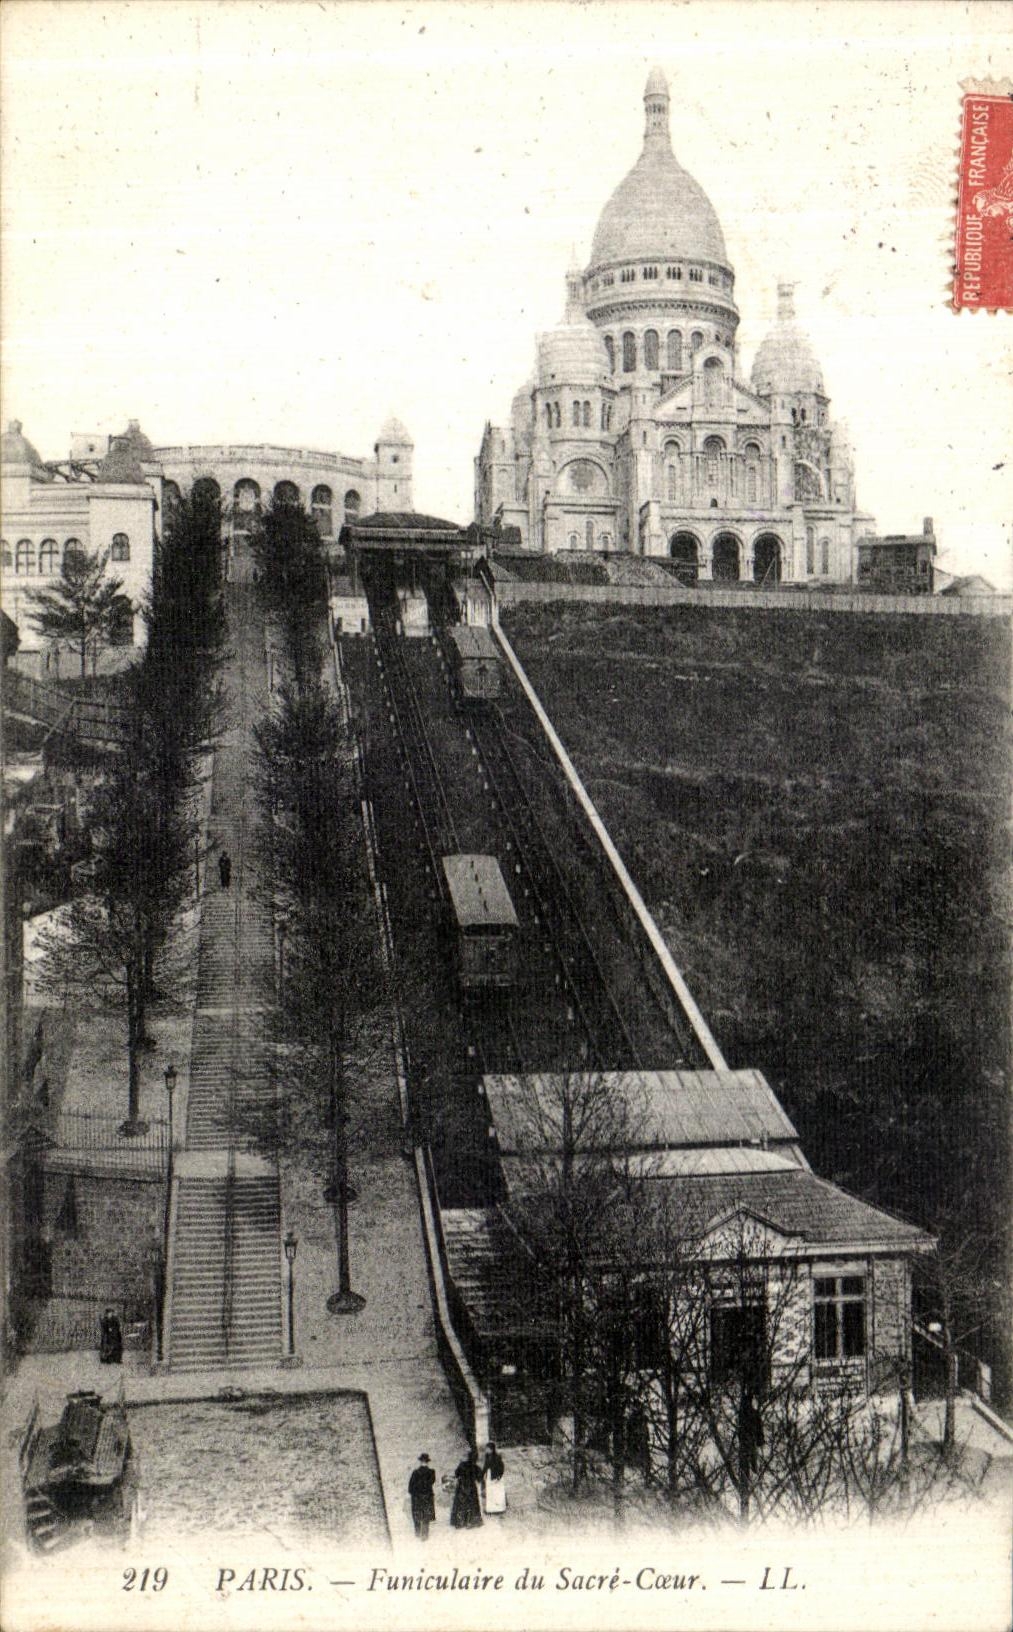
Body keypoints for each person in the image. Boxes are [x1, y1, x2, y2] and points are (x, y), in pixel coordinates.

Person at [449, 1450, 483, 1528]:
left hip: (461, 1487)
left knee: (460, 1504)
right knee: (472, 1505)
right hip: (471, 1488)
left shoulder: (462, 1465)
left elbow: (456, 1474)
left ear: (468, 1457)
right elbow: (479, 1479)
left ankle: (459, 1523)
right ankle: (470, 1522)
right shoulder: (476, 1467)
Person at [408, 1453, 436, 1540]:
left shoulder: (415, 1472)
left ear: (420, 1462)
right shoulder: (431, 1472)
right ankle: (424, 1534)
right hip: (427, 1497)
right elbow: (431, 1482)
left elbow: (410, 1487)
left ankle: (417, 1532)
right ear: (427, 1462)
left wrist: (414, 1494)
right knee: (426, 1516)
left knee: (417, 1514)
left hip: (417, 1497)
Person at [481, 1442, 507, 1515]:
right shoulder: (487, 1456)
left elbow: (502, 1467)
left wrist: (499, 1477)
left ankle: (499, 1509)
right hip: (490, 1476)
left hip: (496, 1477)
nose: (486, 1450)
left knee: (497, 1493)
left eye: (487, 1449)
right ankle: (490, 1509)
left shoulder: (497, 1457)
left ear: (491, 1449)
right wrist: (482, 1474)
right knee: (490, 1493)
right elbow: (485, 1466)